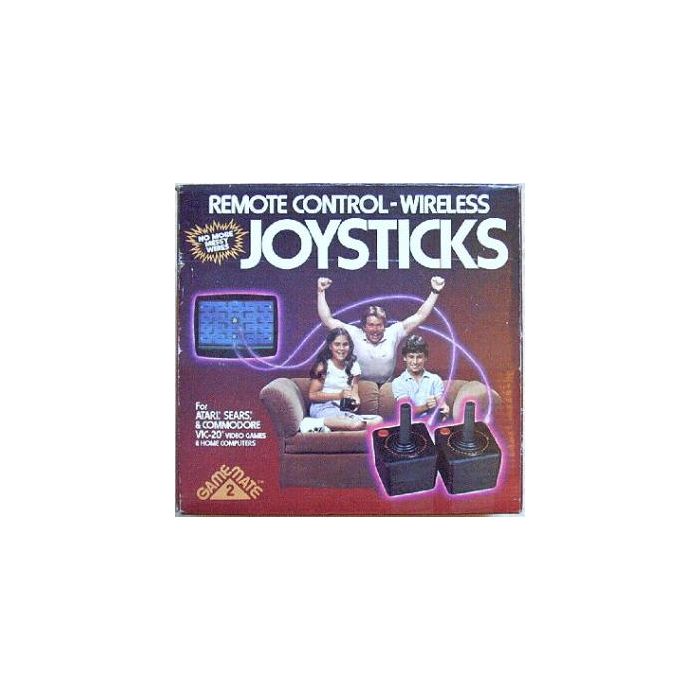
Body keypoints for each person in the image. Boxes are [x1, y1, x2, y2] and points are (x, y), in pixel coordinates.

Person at [316, 275, 446, 384]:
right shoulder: (353, 333)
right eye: (371, 325)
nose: (375, 330)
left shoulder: (393, 332)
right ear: (364, 326)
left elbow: (419, 316)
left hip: (387, 386)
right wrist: (321, 291)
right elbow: (327, 320)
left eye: (379, 325)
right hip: (360, 387)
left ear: (384, 325)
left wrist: (435, 292)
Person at [308, 328, 372, 431]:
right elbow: (312, 395)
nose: (341, 348)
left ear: (349, 346)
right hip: (323, 407)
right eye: (337, 344)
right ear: (330, 346)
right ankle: (313, 423)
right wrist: (338, 396)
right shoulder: (323, 366)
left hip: (342, 409)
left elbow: (354, 388)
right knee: (354, 424)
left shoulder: (353, 365)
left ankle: (336, 424)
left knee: (378, 420)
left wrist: (356, 400)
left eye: (345, 344)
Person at [392, 335, 450, 419]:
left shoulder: (435, 379)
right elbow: (407, 412)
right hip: (409, 424)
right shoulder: (398, 382)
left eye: (419, 357)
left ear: (425, 358)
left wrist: (445, 408)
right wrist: (426, 406)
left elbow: (441, 401)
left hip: (432, 422)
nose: (415, 362)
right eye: (411, 357)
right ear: (405, 358)